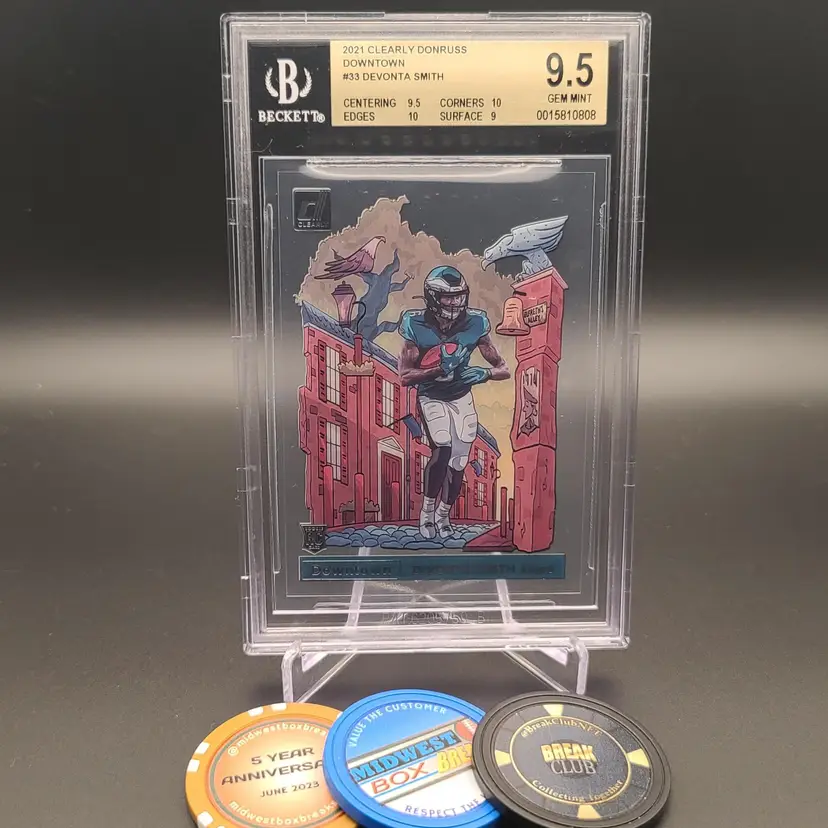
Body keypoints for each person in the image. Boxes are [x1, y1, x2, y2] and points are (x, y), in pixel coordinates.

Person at [399, 265, 510, 539]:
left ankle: (443, 514)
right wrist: (438, 370)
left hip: (461, 395)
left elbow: (503, 369)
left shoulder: (475, 323)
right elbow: (405, 376)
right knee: (442, 448)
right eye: (448, 297)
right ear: (433, 297)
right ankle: (427, 513)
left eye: (459, 295)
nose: (455, 302)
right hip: (431, 395)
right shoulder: (415, 324)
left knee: (459, 460)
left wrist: (483, 373)